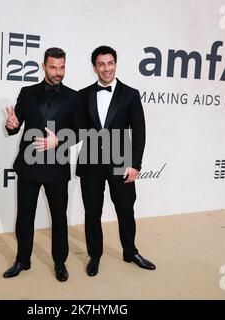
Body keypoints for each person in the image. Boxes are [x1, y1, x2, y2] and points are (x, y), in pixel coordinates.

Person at [76, 45, 156, 277]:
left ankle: (130, 252)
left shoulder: (130, 94)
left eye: (110, 63)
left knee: (125, 210)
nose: (106, 68)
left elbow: (139, 131)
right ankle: (95, 255)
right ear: (94, 67)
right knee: (92, 212)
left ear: (116, 64)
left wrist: (135, 164)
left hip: (122, 162)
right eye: (101, 64)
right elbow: (76, 127)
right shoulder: (83, 95)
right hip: (90, 162)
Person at [3, 47, 79, 282]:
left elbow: (80, 130)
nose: (58, 72)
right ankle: (22, 260)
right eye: (54, 67)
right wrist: (12, 124)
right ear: (43, 66)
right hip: (29, 165)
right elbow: (15, 125)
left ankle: (59, 261)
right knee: (25, 215)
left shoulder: (74, 97)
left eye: (62, 67)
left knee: (59, 217)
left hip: (57, 166)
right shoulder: (27, 93)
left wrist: (60, 140)